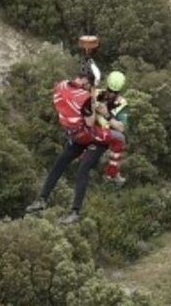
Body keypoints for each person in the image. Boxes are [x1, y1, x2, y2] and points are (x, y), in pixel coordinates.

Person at [25, 40, 126, 225]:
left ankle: (41, 199)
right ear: (87, 82)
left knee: (59, 165)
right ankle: (80, 206)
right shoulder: (87, 98)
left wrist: (89, 57)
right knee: (116, 140)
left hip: (72, 134)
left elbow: (82, 88)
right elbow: (89, 121)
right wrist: (99, 110)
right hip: (86, 134)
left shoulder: (61, 85)